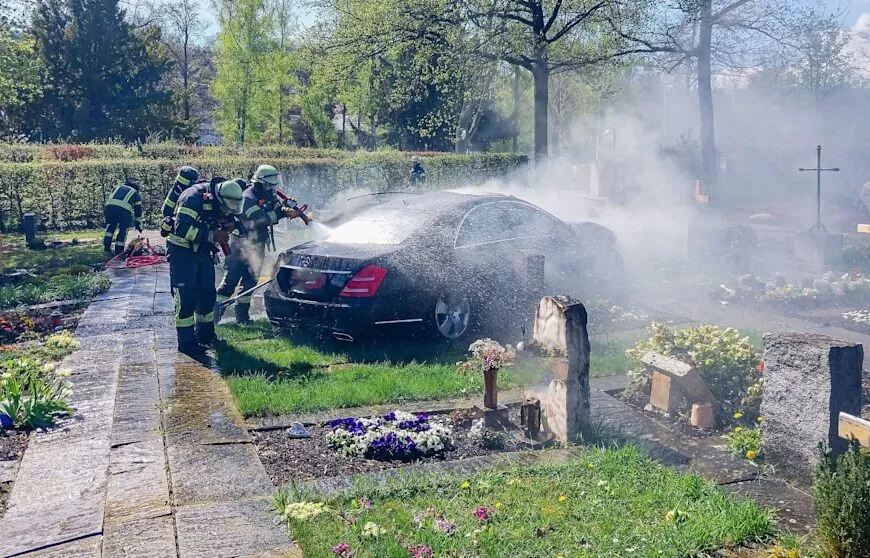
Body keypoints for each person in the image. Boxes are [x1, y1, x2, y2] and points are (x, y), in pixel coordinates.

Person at [215, 164, 305, 324]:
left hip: (257, 246)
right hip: (240, 247)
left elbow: (277, 207)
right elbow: (258, 219)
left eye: (274, 185)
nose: (272, 189)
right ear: (261, 183)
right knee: (229, 283)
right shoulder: (247, 198)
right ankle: (213, 317)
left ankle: (242, 318)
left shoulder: (268, 195)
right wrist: (281, 214)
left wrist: (287, 208)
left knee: (250, 282)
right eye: (270, 185)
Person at [167, 176, 245, 354]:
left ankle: (206, 337)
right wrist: (212, 235)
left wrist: (231, 226)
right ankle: (187, 343)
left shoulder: (224, 200)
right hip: (182, 252)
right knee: (186, 298)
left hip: (203, 251)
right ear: (219, 198)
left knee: (207, 295)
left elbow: (238, 224)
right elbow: (182, 228)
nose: (227, 211)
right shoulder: (192, 198)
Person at [103, 179, 142, 255]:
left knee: (110, 227)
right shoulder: (135, 193)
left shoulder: (118, 187)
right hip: (124, 210)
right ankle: (119, 250)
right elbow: (138, 209)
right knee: (123, 229)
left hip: (109, 207)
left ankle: (106, 248)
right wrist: (137, 223)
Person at [160, 166, 199, 237]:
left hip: (175, 221)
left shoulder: (176, 189)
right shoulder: (190, 192)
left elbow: (166, 210)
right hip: (179, 225)